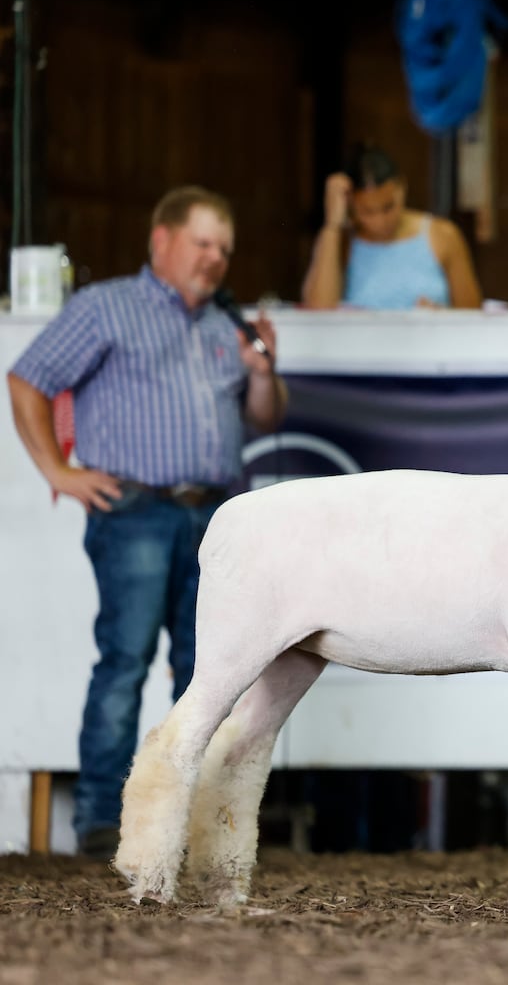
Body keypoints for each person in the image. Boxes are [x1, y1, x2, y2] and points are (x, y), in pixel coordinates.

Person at [6, 185, 287, 859]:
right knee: (125, 665)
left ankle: (192, 821)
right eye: (203, 243)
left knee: (209, 668)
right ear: (161, 242)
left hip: (212, 518)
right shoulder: (105, 308)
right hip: (134, 511)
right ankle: (104, 822)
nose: (216, 258)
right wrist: (58, 472)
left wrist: (259, 372)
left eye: (224, 248)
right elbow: (27, 378)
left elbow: (265, 417)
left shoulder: (226, 323)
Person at [300, 142, 482, 310]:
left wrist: (442, 317)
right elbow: (318, 311)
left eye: (388, 207)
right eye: (367, 212)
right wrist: (332, 225)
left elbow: (472, 315)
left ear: (401, 188)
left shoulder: (443, 235)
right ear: (352, 204)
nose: (380, 221)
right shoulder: (343, 242)